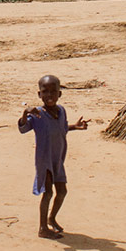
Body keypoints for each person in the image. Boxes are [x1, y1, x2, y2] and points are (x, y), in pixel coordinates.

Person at [18, 74, 88, 239]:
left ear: (59, 94)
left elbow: (61, 128)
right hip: (44, 159)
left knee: (62, 191)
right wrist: (25, 112)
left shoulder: (61, 111)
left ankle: (52, 218)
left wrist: (75, 127)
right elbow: (22, 128)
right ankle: (42, 228)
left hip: (58, 159)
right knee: (48, 192)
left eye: (53, 91)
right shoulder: (37, 114)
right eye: (45, 92)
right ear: (39, 94)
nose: (49, 95)